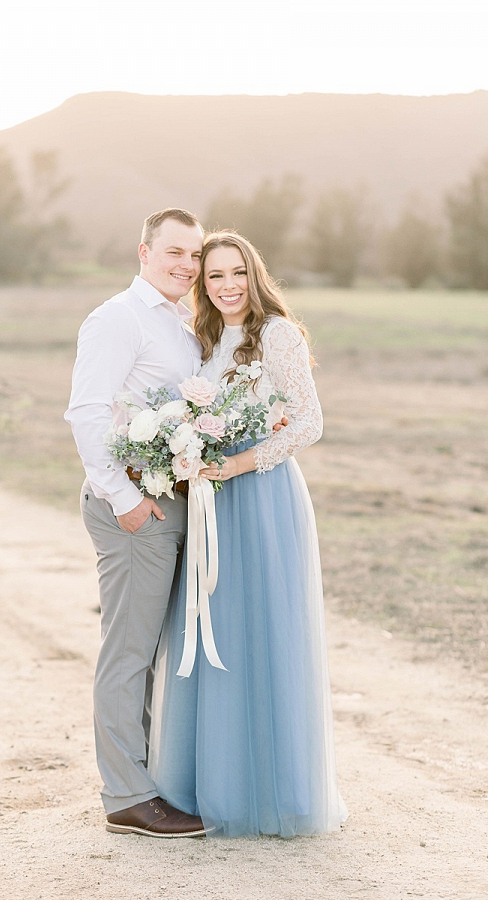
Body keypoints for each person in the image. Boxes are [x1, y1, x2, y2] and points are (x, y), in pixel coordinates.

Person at [148, 231, 348, 838]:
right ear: (202, 284)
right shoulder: (201, 336)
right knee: (211, 628)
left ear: (254, 273)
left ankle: (273, 788)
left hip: (261, 496)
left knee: (262, 630)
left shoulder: (278, 334)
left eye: (238, 272)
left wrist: (238, 463)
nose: (228, 285)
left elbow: (309, 421)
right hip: (210, 500)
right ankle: (206, 784)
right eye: (215, 277)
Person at [65, 208, 211, 837]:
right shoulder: (116, 319)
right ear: (144, 252)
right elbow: (87, 413)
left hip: (174, 502)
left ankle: (156, 779)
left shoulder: (183, 322)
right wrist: (124, 498)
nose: (186, 265)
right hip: (133, 510)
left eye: (195, 255)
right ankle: (127, 794)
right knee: (130, 652)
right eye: (174, 252)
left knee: (162, 651)